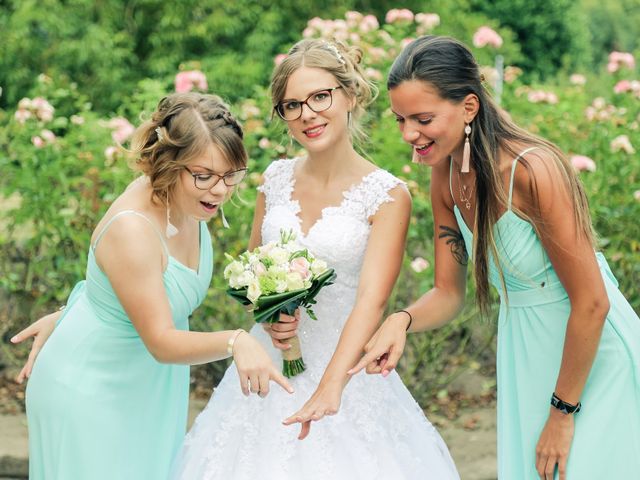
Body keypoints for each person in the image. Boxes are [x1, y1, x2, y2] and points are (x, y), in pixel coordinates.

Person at [348, 35, 640, 480]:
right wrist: (399, 320)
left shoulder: (532, 170)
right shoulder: (445, 174)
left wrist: (562, 413)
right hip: (527, 352)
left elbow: (592, 303)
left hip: (591, 356)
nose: (409, 134)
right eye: (401, 120)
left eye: (422, 119)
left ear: (468, 107)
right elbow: (448, 292)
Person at [169, 39, 459, 479]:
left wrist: (330, 387)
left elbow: (371, 302)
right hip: (268, 367)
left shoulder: (386, 195)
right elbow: (254, 267)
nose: (307, 114)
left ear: (350, 95)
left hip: (346, 375)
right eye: (291, 105)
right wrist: (267, 313)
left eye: (320, 96)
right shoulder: (275, 178)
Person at [11, 92, 293, 480]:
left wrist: (73, 310)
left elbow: (122, 285)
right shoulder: (134, 227)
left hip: (147, 386)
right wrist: (235, 341)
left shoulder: (186, 200)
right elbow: (160, 338)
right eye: (204, 176)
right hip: (92, 390)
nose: (220, 190)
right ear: (169, 164)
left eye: (231, 175)